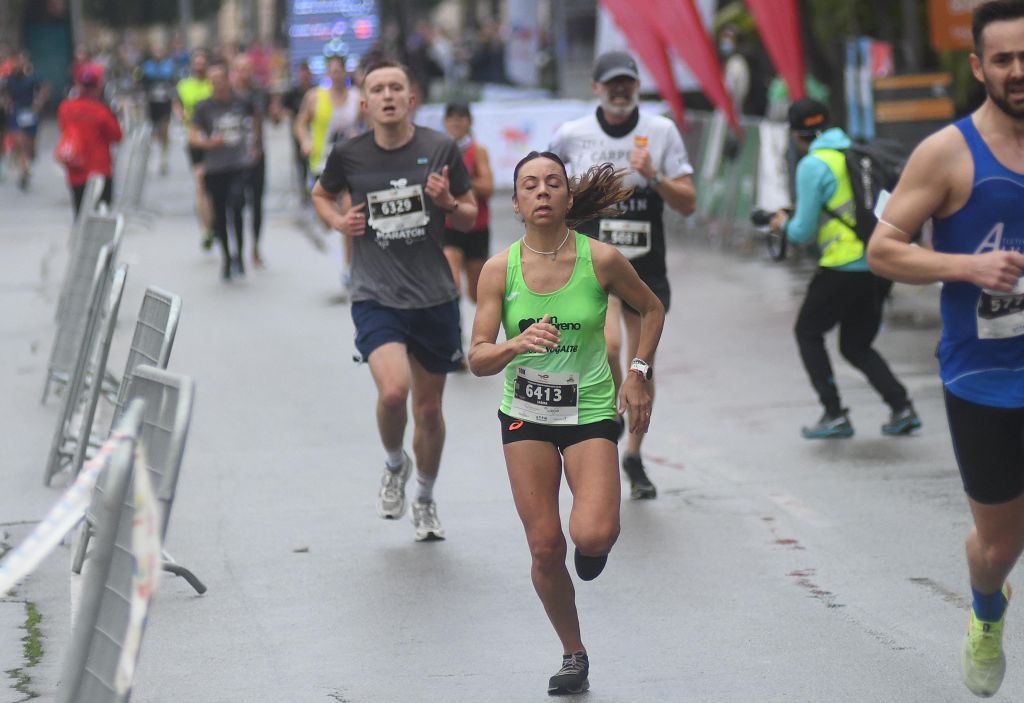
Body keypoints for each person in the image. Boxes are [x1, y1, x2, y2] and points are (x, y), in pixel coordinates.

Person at [866, 1, 1024, 696]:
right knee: (997, 546)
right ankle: (987, 610)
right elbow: (882, 250)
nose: (1018, 72)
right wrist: (967, 267)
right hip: (985, 377)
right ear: (978, 66)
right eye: (1004, 60)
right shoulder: (948, 152)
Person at [467, 152, 665, 695]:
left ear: (568, 198)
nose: (542, 192)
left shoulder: (600, 260)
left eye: (553, 183)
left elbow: (651, 309)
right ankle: (573, 653)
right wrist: (514, 344)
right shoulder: (497, 270)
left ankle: (592, 544)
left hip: (590, 411)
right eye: (529, 185)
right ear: (516, 203)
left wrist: (638, 373)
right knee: (545, 549)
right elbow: (477, 358)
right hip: (525, 416)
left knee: (593, 533)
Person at [310, 60, 478, 541]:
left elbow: (468, 217)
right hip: (375, 293)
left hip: (434, 296)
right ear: (365, 104)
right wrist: (338, 222)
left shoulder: (439, 147)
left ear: (411, 99)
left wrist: (447, 203)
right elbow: (322, 195)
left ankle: (424, 497)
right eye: (377, 89)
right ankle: (393, 463)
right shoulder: (349, 154)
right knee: (392, 393)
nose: (387, 95)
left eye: (396, 87)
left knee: (428, 411)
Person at [549, 50, 695, 499]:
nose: (619, 90)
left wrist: (655, 178)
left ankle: (633, 453)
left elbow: (688, 201)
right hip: (593, 262)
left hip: (646, 264)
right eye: (610, 83)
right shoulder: (572, 135)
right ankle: (612, 417)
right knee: (610, 345)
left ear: (636, 86)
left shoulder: (661, 131)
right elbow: (546, 187)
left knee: (643, 361)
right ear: (595, 87)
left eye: (626, 82)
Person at [769, 98, 921, 439]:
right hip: (878, 262)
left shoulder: (813, 164)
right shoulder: (857, 152)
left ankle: (834, 413)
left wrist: (781, 224)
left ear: (796, 134)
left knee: (807, 332)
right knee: (855, 344)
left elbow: (802, 232)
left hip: (842, 264)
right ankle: (901, 406)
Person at [296, 53, 361, 291]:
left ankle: (348, 268)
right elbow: (301, 122)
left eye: (339, 70)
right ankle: (322, 221)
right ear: (327, 73)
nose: (335, 74)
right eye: (331, 71)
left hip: (351, 164)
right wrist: (305, 141)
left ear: (345, 72)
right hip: (322, 163)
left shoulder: (357, 97)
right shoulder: (314, 97)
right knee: (327, 220)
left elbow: (369, 123)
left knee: (347, 211)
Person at [189, 61, 258, 282]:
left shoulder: (241, 102)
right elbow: (193, 134)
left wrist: (254, 145)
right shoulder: (204, 107)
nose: (217, 85)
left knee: (237, 207)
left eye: (220, 80)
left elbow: (255, 119)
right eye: (213, 81)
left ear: (228, 80)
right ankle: (227, 257)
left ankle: (239, 254)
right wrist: (208, 143)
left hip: (237, 164)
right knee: (220, 214)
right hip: (215, 167)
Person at [441, 102, 493, 303]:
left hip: (476, 227)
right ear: (445, 122)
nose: (456, 122)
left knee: (476, 293)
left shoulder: (478, 151)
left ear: (469, 122)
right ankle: (454, 332)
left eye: (460, 118)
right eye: (451, 118)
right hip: (448, 226)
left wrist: (461, 183)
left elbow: (488, 187)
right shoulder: (439, 150)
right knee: (451, 285)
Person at [56, 63, 122, 215]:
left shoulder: (65, 108)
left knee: (80, 215)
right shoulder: (101, 111)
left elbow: (63, 128)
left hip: (75, 171)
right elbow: (117, 136)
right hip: (100, 170)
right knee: (101, 214)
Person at [231, 54, 268, 268]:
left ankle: (255, 246)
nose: (244, 74)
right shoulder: (228, 95)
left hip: (257, 156)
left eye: (247, 69)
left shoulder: (258, 93)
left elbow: (260, 119)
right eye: (240, 69)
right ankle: (237, 250)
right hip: (234, 159)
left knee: (257, 203)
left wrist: (256, 147)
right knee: (236, 204)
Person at [175, 50, 214, 249]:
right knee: (200, 183)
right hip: (195, 141)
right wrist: (182, 117)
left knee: (214, 185)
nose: (199, 66)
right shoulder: (184, 86)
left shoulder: (214, 84)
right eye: (196, 63)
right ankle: (207, 229)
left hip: (215, 142)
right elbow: (178, 105)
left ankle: (216, 220)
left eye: (202, 63)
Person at [2, 52, 49, 191]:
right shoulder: (9, 79)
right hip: (16, 112)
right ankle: (23, 169)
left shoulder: (33, 77)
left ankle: (27, 162)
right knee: (19, 141)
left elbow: (45, 88)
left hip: (30, 113)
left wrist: (39, 102)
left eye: (23, 61)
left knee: (29, 144)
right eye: (18, 61)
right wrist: (6, 102)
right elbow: (4, 91)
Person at [278, 60, 315, 203]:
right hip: (298, 132)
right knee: (301, 162)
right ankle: (303, 188)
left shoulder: (315, 90)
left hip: (315, 131)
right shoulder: (293, 92)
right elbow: (283, 110)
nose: (304, 76)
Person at [141, 46, 176, 175]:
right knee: (155, 130)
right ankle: (156, 154)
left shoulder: (169, 66)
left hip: (165, 102)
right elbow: (142, 82)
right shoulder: (148, 66)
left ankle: (164, 157)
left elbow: (173, 81)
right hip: (153, 103)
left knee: (164, 128)